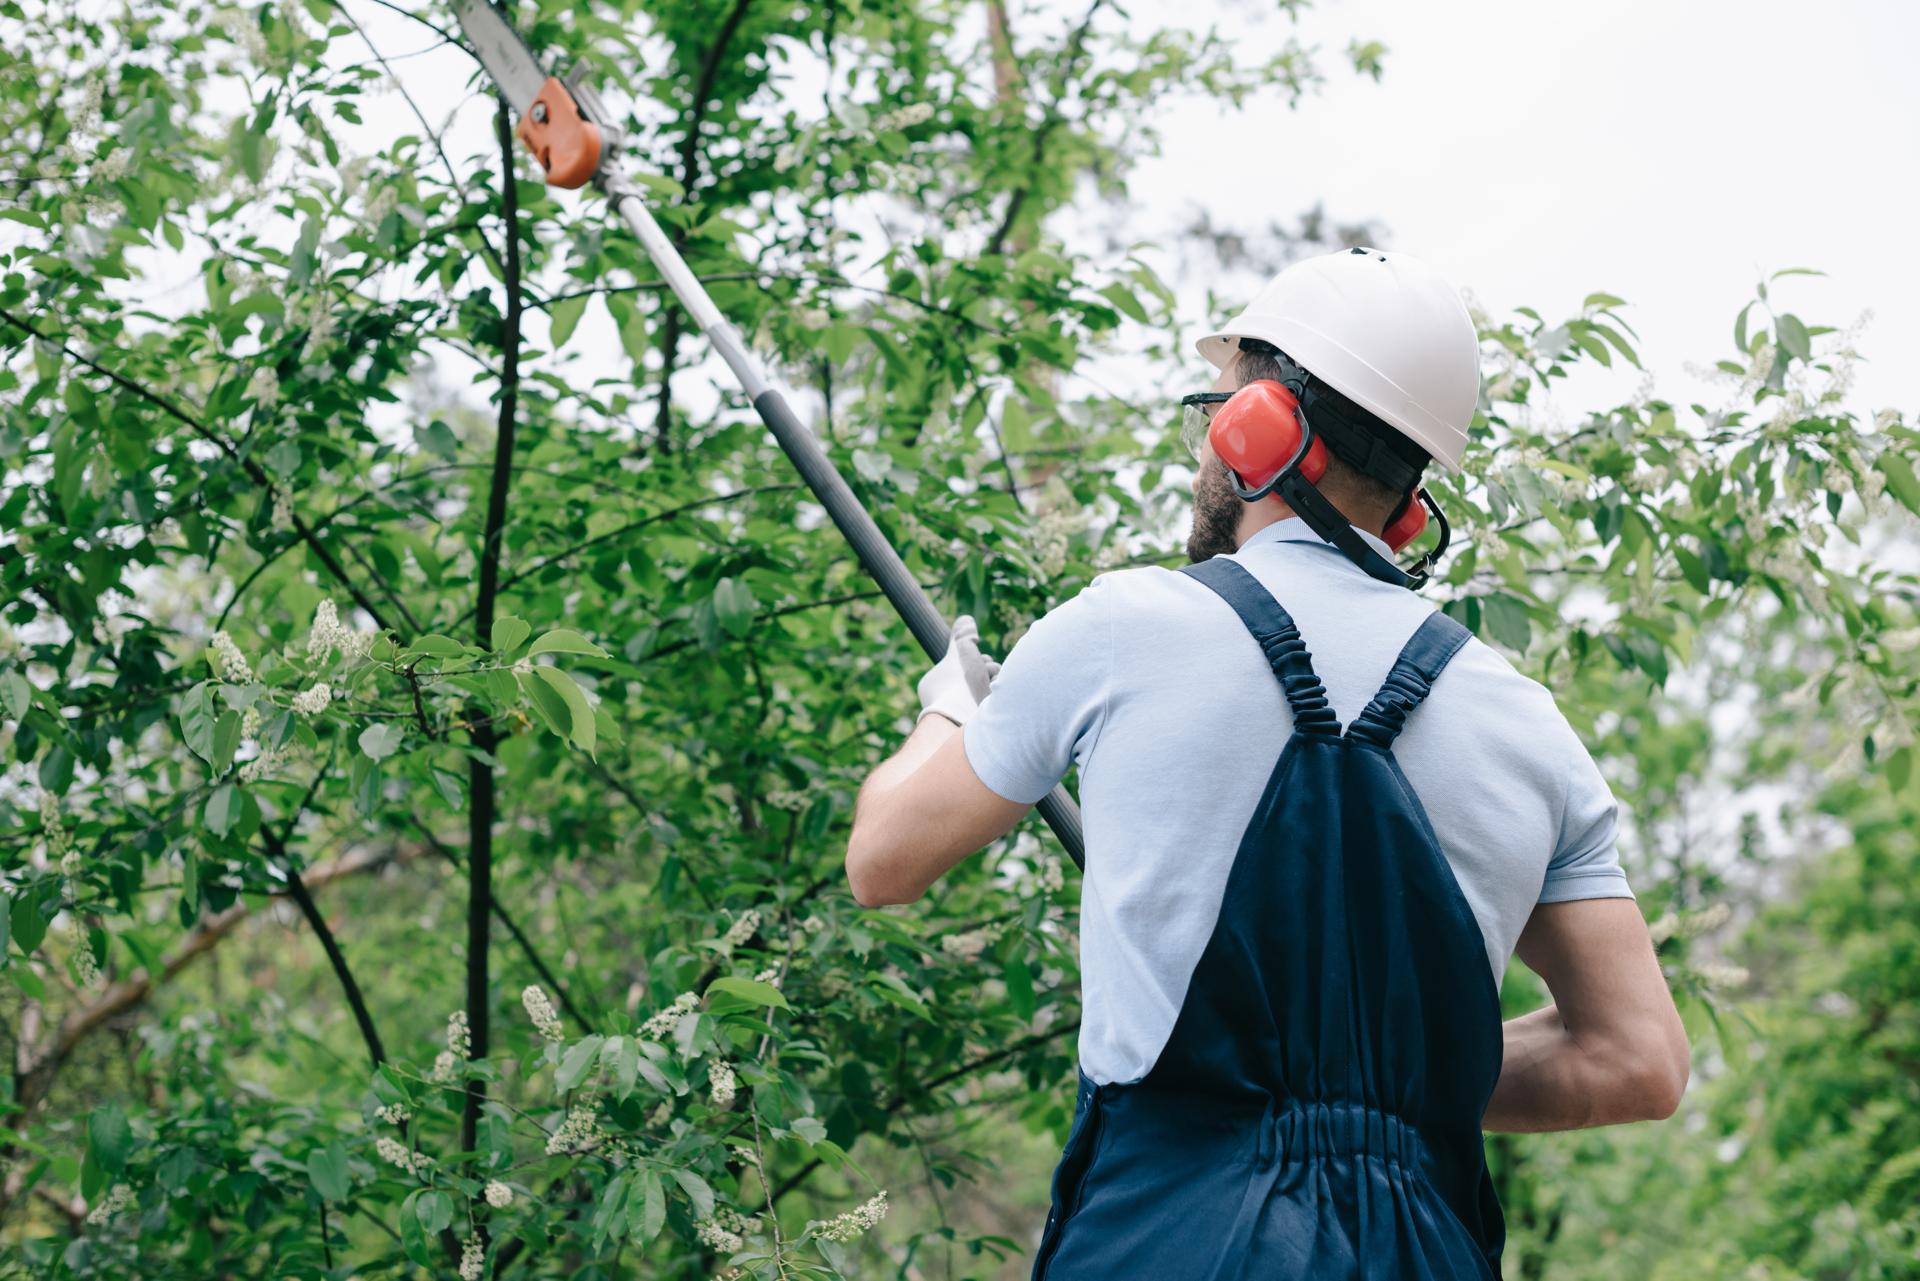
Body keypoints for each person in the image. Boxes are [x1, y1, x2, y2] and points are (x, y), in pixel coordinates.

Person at [845, 247, 1690, 1280]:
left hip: (1169, 1238)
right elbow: (1639, 1060)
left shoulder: (1121, 627)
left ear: (1263, 427)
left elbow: (883, 861)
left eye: (1219, 412)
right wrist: (1402, 1085)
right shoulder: (1526, 724)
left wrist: (950, 708)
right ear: (1410, 498)